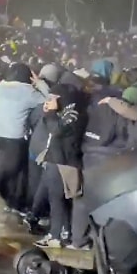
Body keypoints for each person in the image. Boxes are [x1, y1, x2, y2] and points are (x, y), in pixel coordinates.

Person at [28, 84, 84, 248]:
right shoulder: (63, 111)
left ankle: (56, 236)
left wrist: (51, 113)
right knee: (53, 196)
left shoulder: (72, 113)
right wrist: (48, 112)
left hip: (63, 161)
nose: (49, 100)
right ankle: (62, 232)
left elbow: (56, 130)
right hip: (54, 159)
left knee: (57, 199)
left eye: (53, 98)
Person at [0, 63, 49, 214]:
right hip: (14, 138)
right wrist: (39, 83)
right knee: (7, 171)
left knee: (16, 170)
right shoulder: (28, 91)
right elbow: (50, 99)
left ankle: (13, 203)